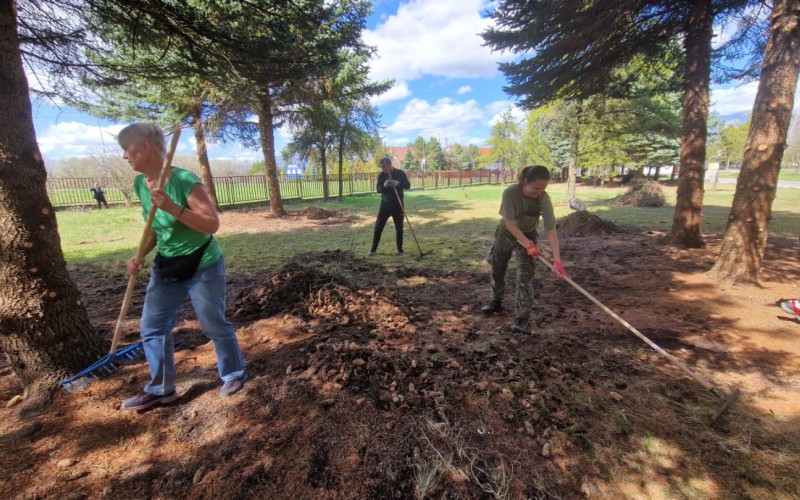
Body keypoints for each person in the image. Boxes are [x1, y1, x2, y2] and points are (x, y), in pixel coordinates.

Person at [117, 123, 246, 411]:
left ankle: (233, 372)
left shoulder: (184, 181)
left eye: (127, 149)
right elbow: (154, 228)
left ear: (145, 147)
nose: (125, 156)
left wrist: (173, 207)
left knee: (213, 323)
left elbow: (211, 224)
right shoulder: (141, 184)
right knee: (152, 327)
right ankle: (162, 389)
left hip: (202, 263)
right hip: (167, 266)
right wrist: (139, 255)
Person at [480, 165, 569, 334]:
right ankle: (496, 301)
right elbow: (510, 224)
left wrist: (557, 260)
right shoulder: (510, 193)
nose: (539, 192)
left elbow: (551, 230)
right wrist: (527, 244)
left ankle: (522, 317)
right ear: (525, 181)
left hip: (529, 235)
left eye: (543, 188)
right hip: (506, 233)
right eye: (536, 188)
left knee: (524, 276)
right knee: (497, 268)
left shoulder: (543, 199)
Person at [370, 157, 411, 256]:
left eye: (384, 167)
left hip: (398, 204)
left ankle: (400, 250)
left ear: (390, 164)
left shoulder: (400, 173)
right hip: (385, 204)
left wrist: (398, 183)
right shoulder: (381, 176)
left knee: (399, 227)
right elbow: (378, 189)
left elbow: (408, 185)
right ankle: (373, 249)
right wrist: (384, 185)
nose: (383, 169)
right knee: (378, 226)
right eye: (381, 167)